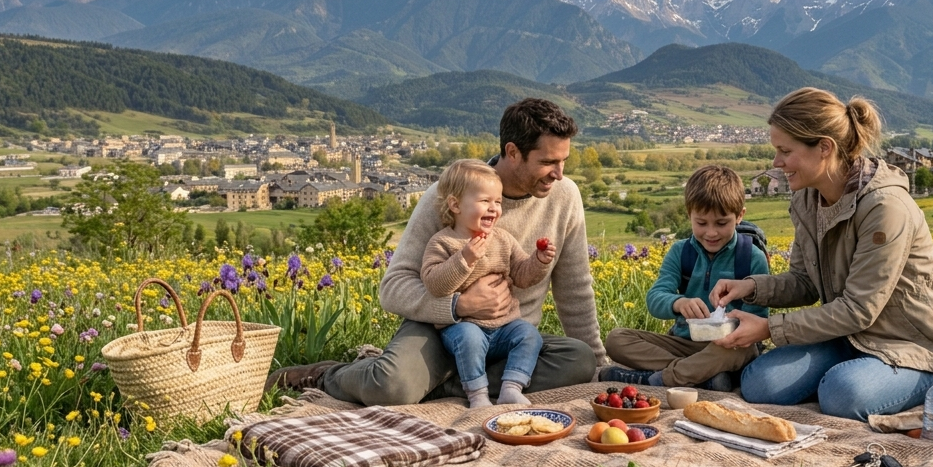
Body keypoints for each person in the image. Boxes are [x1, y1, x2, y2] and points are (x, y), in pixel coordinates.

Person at [266, 98, 605, 404]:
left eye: (564, 161)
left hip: (509, 337)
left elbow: (575, 288)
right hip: (441, 330)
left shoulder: (565, 197)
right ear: (513, 151)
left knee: (578, 361)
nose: (559, 175)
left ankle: (444, 387)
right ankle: (329, 375)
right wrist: (458, 305)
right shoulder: (450, 195)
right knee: (392, 387)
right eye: (549, 162)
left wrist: (599, 366)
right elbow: (393, 288)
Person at [709, 87, 933, 421]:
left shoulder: (885, 207)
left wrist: (769, 329)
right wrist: (750, 286)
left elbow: (859, 309)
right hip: (850, 337)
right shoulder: (808, 199)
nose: (776, 163)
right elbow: (804, 282)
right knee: (761, 384)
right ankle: (849, 374)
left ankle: (894, 382)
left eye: (784, 151)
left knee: (839, 392)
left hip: (916, 349)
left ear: (824, 148)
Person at [600, 165, 769, 391]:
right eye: (701, 223)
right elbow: (655, 298)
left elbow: (757, 319)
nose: (711, 233)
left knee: (742, 351)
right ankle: (702, 376)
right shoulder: (681, 252)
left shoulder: (752, 257)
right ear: (689, 214)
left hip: (728, 347)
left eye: (721, 223)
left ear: (740, 216)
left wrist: (729, 323)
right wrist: (679, 303)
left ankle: (656, 380)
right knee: (616, 339)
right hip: (683, 343)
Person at [421, 159, 556, 407]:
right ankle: (477, 394)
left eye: (498, 202)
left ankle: (511, 387)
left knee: (529, 334)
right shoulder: (443, 243)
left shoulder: (502, 240)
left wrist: (539, 260)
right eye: (485, 201)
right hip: (463, 327)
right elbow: (434, 285)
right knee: (470, 338)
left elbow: (522, 276)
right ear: (455, 205)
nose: (494, 208)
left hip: (504, 327)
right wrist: (465, 259)